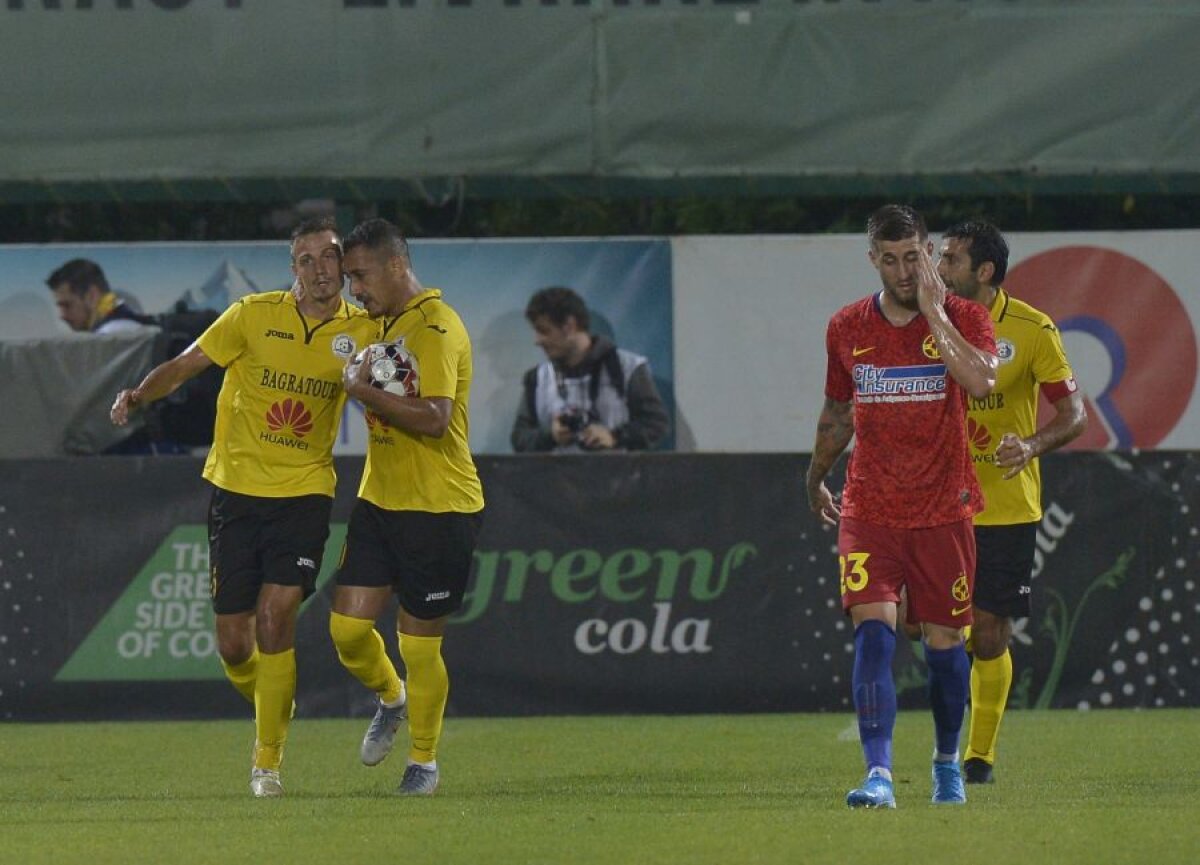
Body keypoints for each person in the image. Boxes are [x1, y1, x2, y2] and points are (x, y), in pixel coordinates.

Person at [110, 217, 376, 798]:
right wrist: (138, 393)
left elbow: (391, 390)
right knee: (234, 644)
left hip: (306, 493)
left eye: (329, 256)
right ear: (293, 270)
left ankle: (267, 764)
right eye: (306, 259)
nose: (320, 268)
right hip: (236, 492)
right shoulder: (252, 314)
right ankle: (273, 702)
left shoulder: (364, 330)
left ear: (342, 262)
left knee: (276, 617)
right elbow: (184, 366)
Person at [805, 204, 998, 809]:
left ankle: (946, 764)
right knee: (873, 631)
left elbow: (980, 381)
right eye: (889, 260)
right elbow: (838, 414)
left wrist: (936, 313)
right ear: (873, 261)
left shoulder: (964, 315)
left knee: (945, 647)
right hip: (870, 507)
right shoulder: (846, 328)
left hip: (944, 507)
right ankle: (880, 774)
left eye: (913, 256)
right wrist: (815, 477)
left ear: (927, 251)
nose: (903, 270)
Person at [329, 218, 484, 796]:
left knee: (419, 646)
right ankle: (391, 699)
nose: (354, 290)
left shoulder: (437, 328)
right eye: (349, 278)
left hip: (440, 508)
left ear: (397, 265)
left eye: (360, 276)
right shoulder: (379, 323)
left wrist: (362, 392)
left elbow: (436, 417)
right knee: (347, 631)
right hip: (379, 501)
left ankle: (424, 761)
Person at [935, 220, 1087, 784]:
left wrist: (1030, 444)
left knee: (988, 631)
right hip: (933, 503)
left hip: (1004, 508)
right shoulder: (927, 321)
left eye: (951, 260)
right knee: (916, 623)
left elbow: (1075, 416)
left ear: (985, 272)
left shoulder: (1032, 329)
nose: (940, 267)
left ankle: (976, 758)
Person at [510, 286, 669, 453]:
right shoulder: (537, 378)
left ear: (569, 326)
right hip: (556, 478)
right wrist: (551, 436)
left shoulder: (628, 368)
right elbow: (519, 439)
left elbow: (656, 425)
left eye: (544, 331)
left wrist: (614, 436)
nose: (537, 341)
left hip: (619, 477)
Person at [46, 258, 153, 334]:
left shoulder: (112, 335)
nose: (62, 315)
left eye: (67, 305)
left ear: (92, 296)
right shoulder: (124, 324)